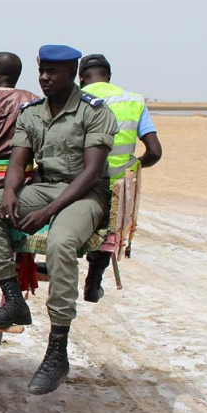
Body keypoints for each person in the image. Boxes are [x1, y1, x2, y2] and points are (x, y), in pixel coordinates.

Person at [0, 45, 117, 395]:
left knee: (61, 242)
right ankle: (13, 299)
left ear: (72, 74)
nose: (46, 78)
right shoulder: (31, 112)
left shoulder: (93, 111)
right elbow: (19, 161)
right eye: (42, 72)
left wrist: (48, 212)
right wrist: (8, 194)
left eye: (54, 72)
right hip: (45, 186)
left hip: (84, 194)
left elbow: (93, 171)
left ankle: (56, 350)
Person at [78, 54, 162, 302]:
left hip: (80, 180)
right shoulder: (134, 101)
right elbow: (155, 152)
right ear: (110, 76)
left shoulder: (75, 99)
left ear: (80, 78)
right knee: (109, 225)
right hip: (117, 184)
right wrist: (134, 167)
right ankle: (94, 279)